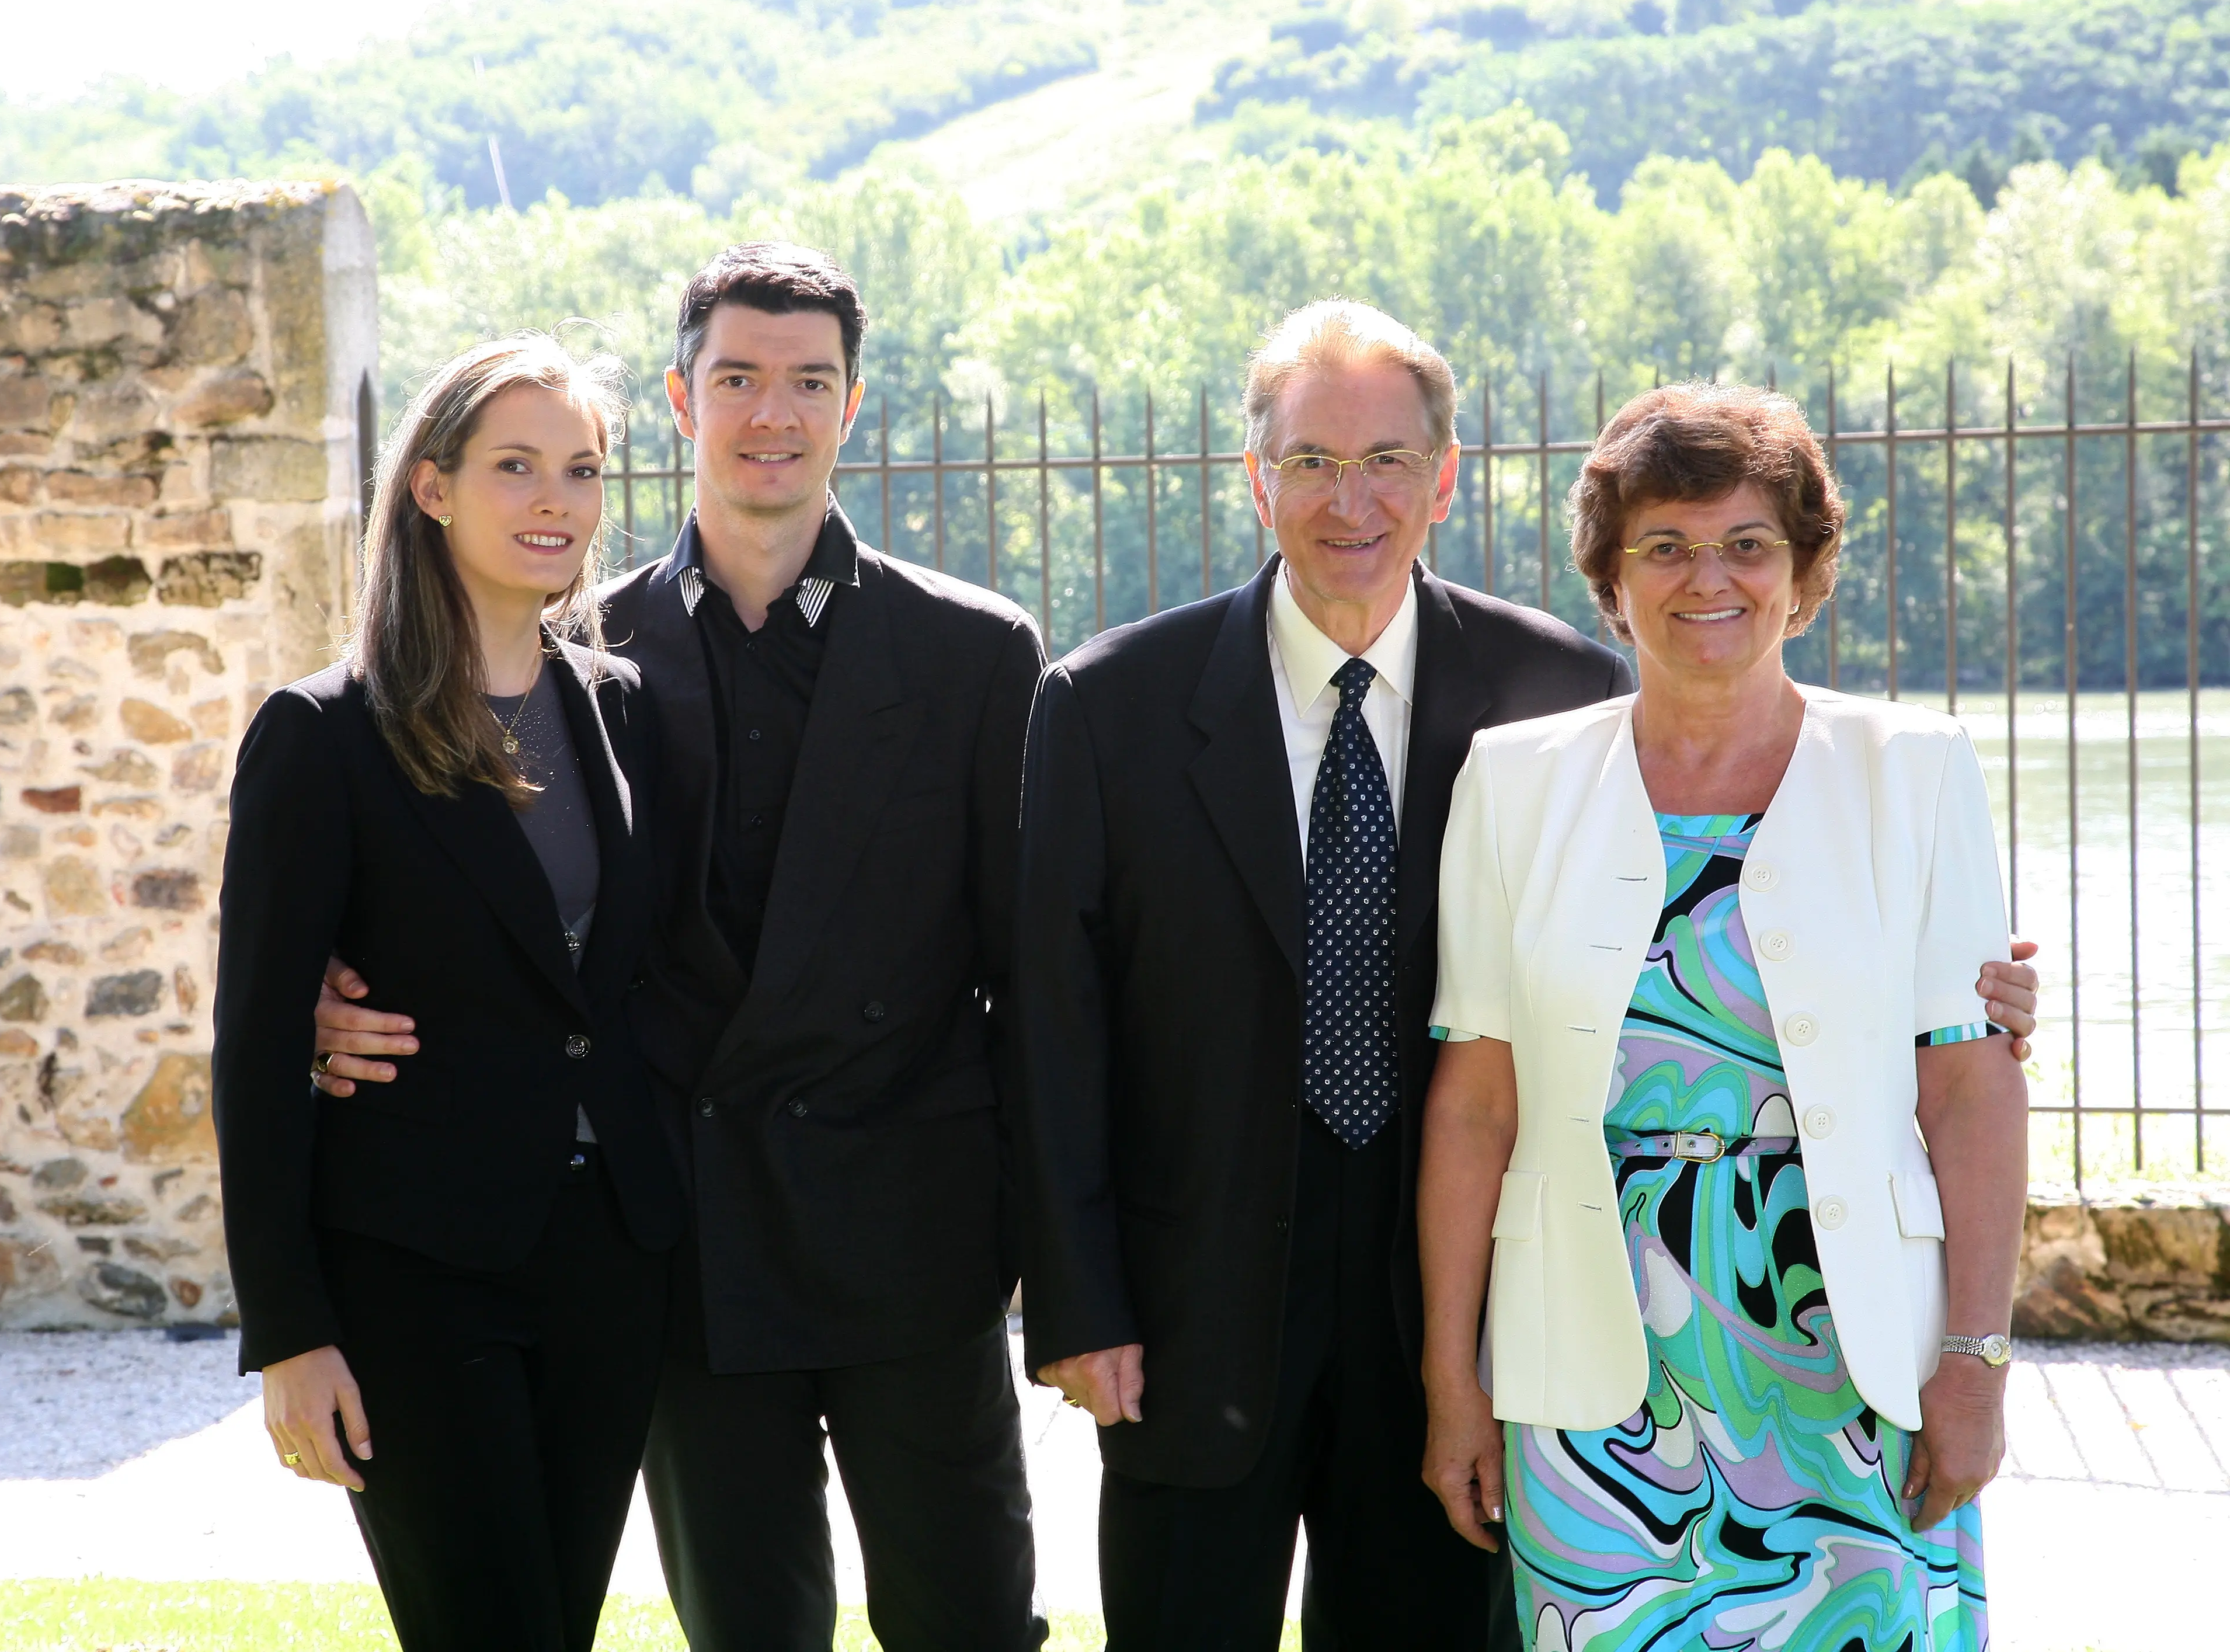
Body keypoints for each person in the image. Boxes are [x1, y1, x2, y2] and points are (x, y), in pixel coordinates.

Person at [1008, 303, 2040, 1650]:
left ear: (1443, 477)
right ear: (1257, 477)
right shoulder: (1109, 704)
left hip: (1594, 1315)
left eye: (1386, 458)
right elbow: (1053, 1024)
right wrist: (1083, 1304)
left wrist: (1976, 1337)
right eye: (1312, 461)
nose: (1350, 497)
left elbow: (1937, 1049)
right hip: (1230, 1307)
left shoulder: (1551, 686)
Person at [311, 245, 1047, 1651]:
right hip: (687, 1246)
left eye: (810, 381)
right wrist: (312, 996)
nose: (773, 413)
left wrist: (1037, 1247)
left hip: (916, 1243)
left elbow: (1040, 976)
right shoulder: (575, 645)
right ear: (680, 397)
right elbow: (457, 901)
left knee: (972, 1629)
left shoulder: (978, 653)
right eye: (739, 378)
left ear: (853, 403)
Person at [1418, 382, 2028, 1652]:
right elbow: (1477, 1101)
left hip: (1850, 1351)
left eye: (1749, 543)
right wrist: (1451, 1379)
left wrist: (1975, 1358)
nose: (1712, 578)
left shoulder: (1915, 771)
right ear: (1612, 574)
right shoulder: (1513, 785)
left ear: (1802, 575)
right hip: (1596, 1358)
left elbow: (1968, 1088)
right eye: (1667, 546)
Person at [212, 334, 685, 1651]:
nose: (556, 503)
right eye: (516, 467)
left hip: (609, 1264)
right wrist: (290, 1332)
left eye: (582, 471)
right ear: (431, 487)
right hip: (418, 1272)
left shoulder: (624, 706)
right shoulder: (323, 734)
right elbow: (253, 1048)